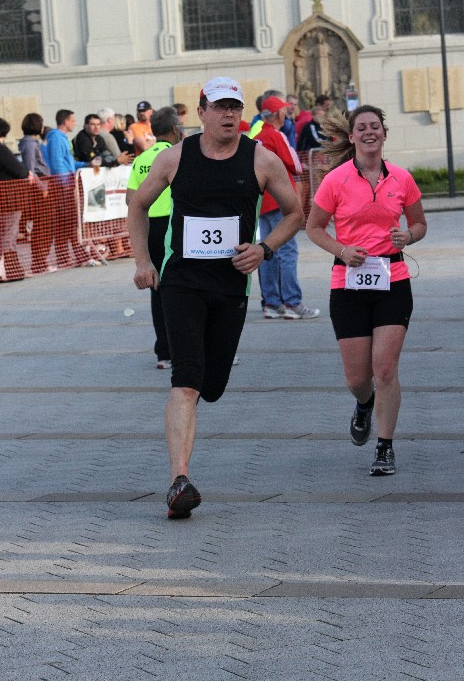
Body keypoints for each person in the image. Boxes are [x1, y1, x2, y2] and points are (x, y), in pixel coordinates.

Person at [130, 76, 303, 519]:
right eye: (221, 106)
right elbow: (138, 205)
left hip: (231, 286)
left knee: (212, 386)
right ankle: (179, 481)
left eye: (235, 107)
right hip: (182, 282)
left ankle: (185, 454)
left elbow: (295, 212)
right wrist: (144, 261)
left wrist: (264, 249)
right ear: (202, 110)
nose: (229, 114)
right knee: (186, 381)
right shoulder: (175, 157)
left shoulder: (260, 159)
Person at [305, 104, 427, 476]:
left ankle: (385, 446)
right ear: (352, 136)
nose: (369, 132)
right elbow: (314, 228)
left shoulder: (402, 178)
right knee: (358, 378)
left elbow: (419, 223)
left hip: (393, 279)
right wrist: (342, 250)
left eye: (376, 126)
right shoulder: (335, 180)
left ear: (384, 134)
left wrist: (408, 236)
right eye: (362, 127)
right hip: (348, 283)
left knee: (385, 368)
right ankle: (364, 403)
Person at [126, 106, 182, 370]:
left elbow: (131, 199)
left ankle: (164, 352)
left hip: (150, 227)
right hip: (174, 226)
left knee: (157, 287)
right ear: (174, 129)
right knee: (183, 287)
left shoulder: (142, 159)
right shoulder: (178, 156)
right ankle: (186, 349)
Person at [254, 96, 319, 320]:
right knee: (287, 251)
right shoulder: (275, 135)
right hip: (280, 201)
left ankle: (271, 302)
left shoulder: (257, 137)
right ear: (278, 114)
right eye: (284, 110)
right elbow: (296, 165)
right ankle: (292, 301)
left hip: (261, 201)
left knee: (267, 251)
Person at [0, 116, 34, 282]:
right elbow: (18, 169)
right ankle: (4, 267)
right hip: (11, 197)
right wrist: (27, 173)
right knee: (10, 232)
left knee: (5, 231)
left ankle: (4, 267)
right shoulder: (0, 148)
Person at [45, 109, 95, 267]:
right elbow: (57, 163)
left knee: (68, 222)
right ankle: (68, 256)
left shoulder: (61, 138)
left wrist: (85, 164)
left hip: (66, 184)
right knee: (67, 222)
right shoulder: (56, 138)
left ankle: (66, 257)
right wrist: (65, 184)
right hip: (63, 186)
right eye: (72, 120)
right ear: (65, 121)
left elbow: (68, 162)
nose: (74, 123)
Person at [18, 112, 54, 274]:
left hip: (42, 184)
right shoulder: (30, 144)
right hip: (40, 187)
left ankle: (41, 260)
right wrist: (42, 187)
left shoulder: (32, 143)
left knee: (45, 226)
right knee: (42, 226)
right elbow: (30, 170)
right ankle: (39, 261)